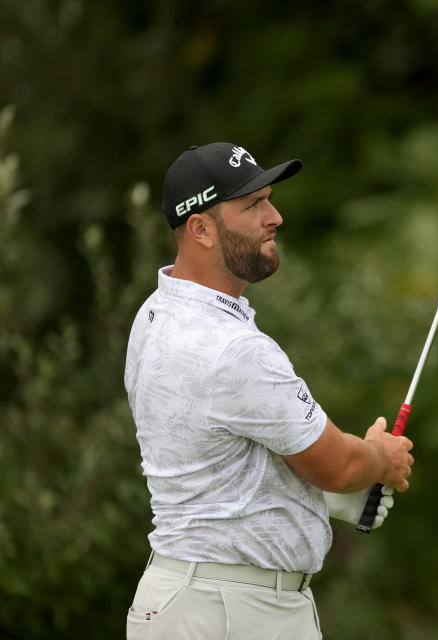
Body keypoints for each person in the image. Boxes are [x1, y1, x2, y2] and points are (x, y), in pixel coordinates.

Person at [124, 142, 414, 639]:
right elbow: (338, 466)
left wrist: (328, 498)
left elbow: (227, 462)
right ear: (201, 229)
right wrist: (378, 459)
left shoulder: (154, 313)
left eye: (269, 199)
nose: (274, 217)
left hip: (180, 600)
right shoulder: (235, 349)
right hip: (234, 611)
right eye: (252, 205)